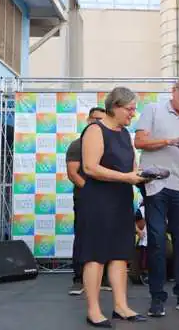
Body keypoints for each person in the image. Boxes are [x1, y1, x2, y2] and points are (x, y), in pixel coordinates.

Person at [134, 77, 179, 317]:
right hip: (155, 184)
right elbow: (139, 141)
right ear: (173, 91)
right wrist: (170, 141)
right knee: (155, 240)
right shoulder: (153, 110)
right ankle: (157, 298)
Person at [78, 87, 148, 327]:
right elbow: (89, 168)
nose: (132, 114)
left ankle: (121, 306)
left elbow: (130, 168)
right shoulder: (95, 130)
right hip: (97, 200)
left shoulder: (125, 133)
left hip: (120, 200)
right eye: (129, 109)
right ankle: (93, 310)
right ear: (116, 106)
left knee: (120, 254)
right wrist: (126, 178)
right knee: (96, 256)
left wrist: (141, 176)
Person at [66, 107, 109, 296]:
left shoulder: (109, 145)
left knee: (107, 237)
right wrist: (92, 191)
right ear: (88, 120)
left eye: (102, 120)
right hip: (85, 198)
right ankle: (78, 279)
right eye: (95, 119)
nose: (98, 123)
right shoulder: (77, 145)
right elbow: (73, 173)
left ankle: (104, 279)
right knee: (83, 236)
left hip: (108, 200)